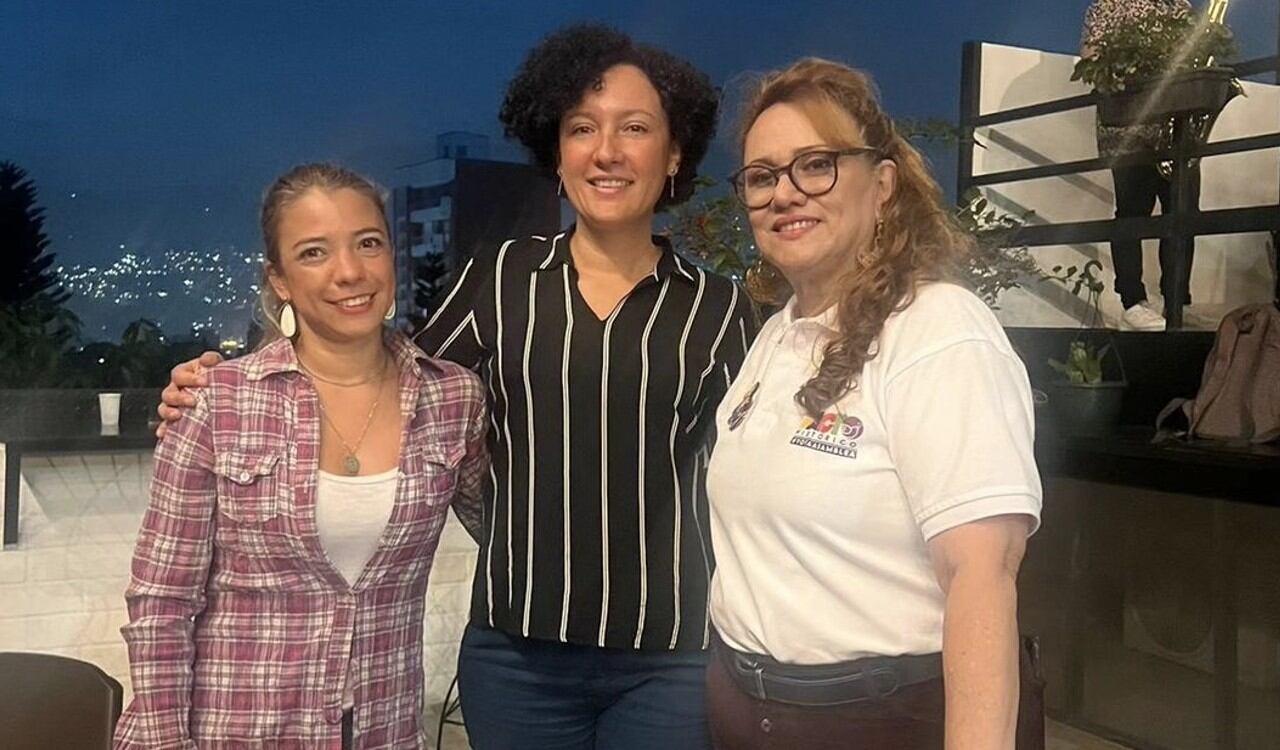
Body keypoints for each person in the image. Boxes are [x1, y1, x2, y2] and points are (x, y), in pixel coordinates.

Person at [158, 25, 753, 749]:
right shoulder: (501, 280)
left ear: (674, 154)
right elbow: (384, 371)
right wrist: (230, 377)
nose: (607, 151)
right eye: (581, 128)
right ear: (556, 152)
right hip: (516, 658)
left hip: (670, 657)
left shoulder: (722, 311)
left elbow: (762, 472)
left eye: (635, 128)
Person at [704, 59, 1043, 749]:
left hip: (886, 721)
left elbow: (982, 574)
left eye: (816, 164)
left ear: (883, 184)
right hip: (751, 716)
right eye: (763, 176)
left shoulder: (937, 329)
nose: (785, 193)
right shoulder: (777, 336)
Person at [118, 164, 488, 749]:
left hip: (382, 731)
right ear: (280, 279)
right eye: (314, 252)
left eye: (368, 243)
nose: (349, 272)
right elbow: (161, 602)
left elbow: (512, 532)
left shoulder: (452, 398)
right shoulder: (217, 400)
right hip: (232, 732)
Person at [1081, 0, 1196, 331]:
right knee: (1132, 214)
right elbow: (1093, 63)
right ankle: (1133, 301)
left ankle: (1174, 300)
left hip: (1178, 131)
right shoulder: (1106, 7)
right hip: (1129, 131)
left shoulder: (1180, 7)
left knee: (1184, 215)